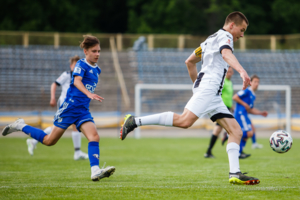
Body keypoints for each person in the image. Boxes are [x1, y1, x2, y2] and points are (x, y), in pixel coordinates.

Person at [120, 12, 260, 185]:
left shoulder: (210, 39)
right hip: (209, 88)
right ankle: (134, 121)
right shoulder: (226, 36)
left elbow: (190, 61)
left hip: (212, 94)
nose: (242, 34)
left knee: (236, 131)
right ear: (232, 25)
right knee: (184, 121)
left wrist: (197, 86)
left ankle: (235, 173)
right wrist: (242, 71)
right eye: (242, 29)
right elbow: (225, 54)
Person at [2, 35, 115, 181]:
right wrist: (89, 94)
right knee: (50, 141)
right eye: (94, 51)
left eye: (99, 51)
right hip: (69, 108)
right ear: (86, 51)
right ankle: (21, 125)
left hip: (82, 110)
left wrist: (88, 96)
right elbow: (77, 81)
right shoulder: (81, 64)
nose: (97, 54)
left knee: (94, 137)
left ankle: (95, 171)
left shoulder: (97, 70)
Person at [26, 55, 89, 161]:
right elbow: (54, 84)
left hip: (72, 104)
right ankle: (34, 140)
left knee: (71, 125)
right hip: (65, 103)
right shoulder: (67, 74)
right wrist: (52, 98)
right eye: (75, 64)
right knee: (61, 126)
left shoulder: (80, 77)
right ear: (71, 66)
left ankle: (77, 152)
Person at [232, 74, 268, 159]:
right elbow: (235, 97)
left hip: (245, 114)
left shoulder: (253, 95)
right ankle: (238, 151)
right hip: (240, 114)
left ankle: (239, 152)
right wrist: (244, 104)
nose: (257, 83)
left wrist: (260, 113)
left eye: (258, 82)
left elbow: (250, 110)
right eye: (255, 81)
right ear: (251, 82)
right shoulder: (247, 91)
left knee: (249, 132)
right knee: (248, 133)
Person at [204, 66, 234, 158]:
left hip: (227, 108)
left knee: (218, 130)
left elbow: (228, 96)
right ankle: (226, 136)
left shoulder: (230, 83)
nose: (229, 73)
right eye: (228, 72)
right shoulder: (223, 82)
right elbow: (217, 94)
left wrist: (231, 106)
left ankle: (208, 151)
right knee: (228, 128)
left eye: (231, 72)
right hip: (221, 109)